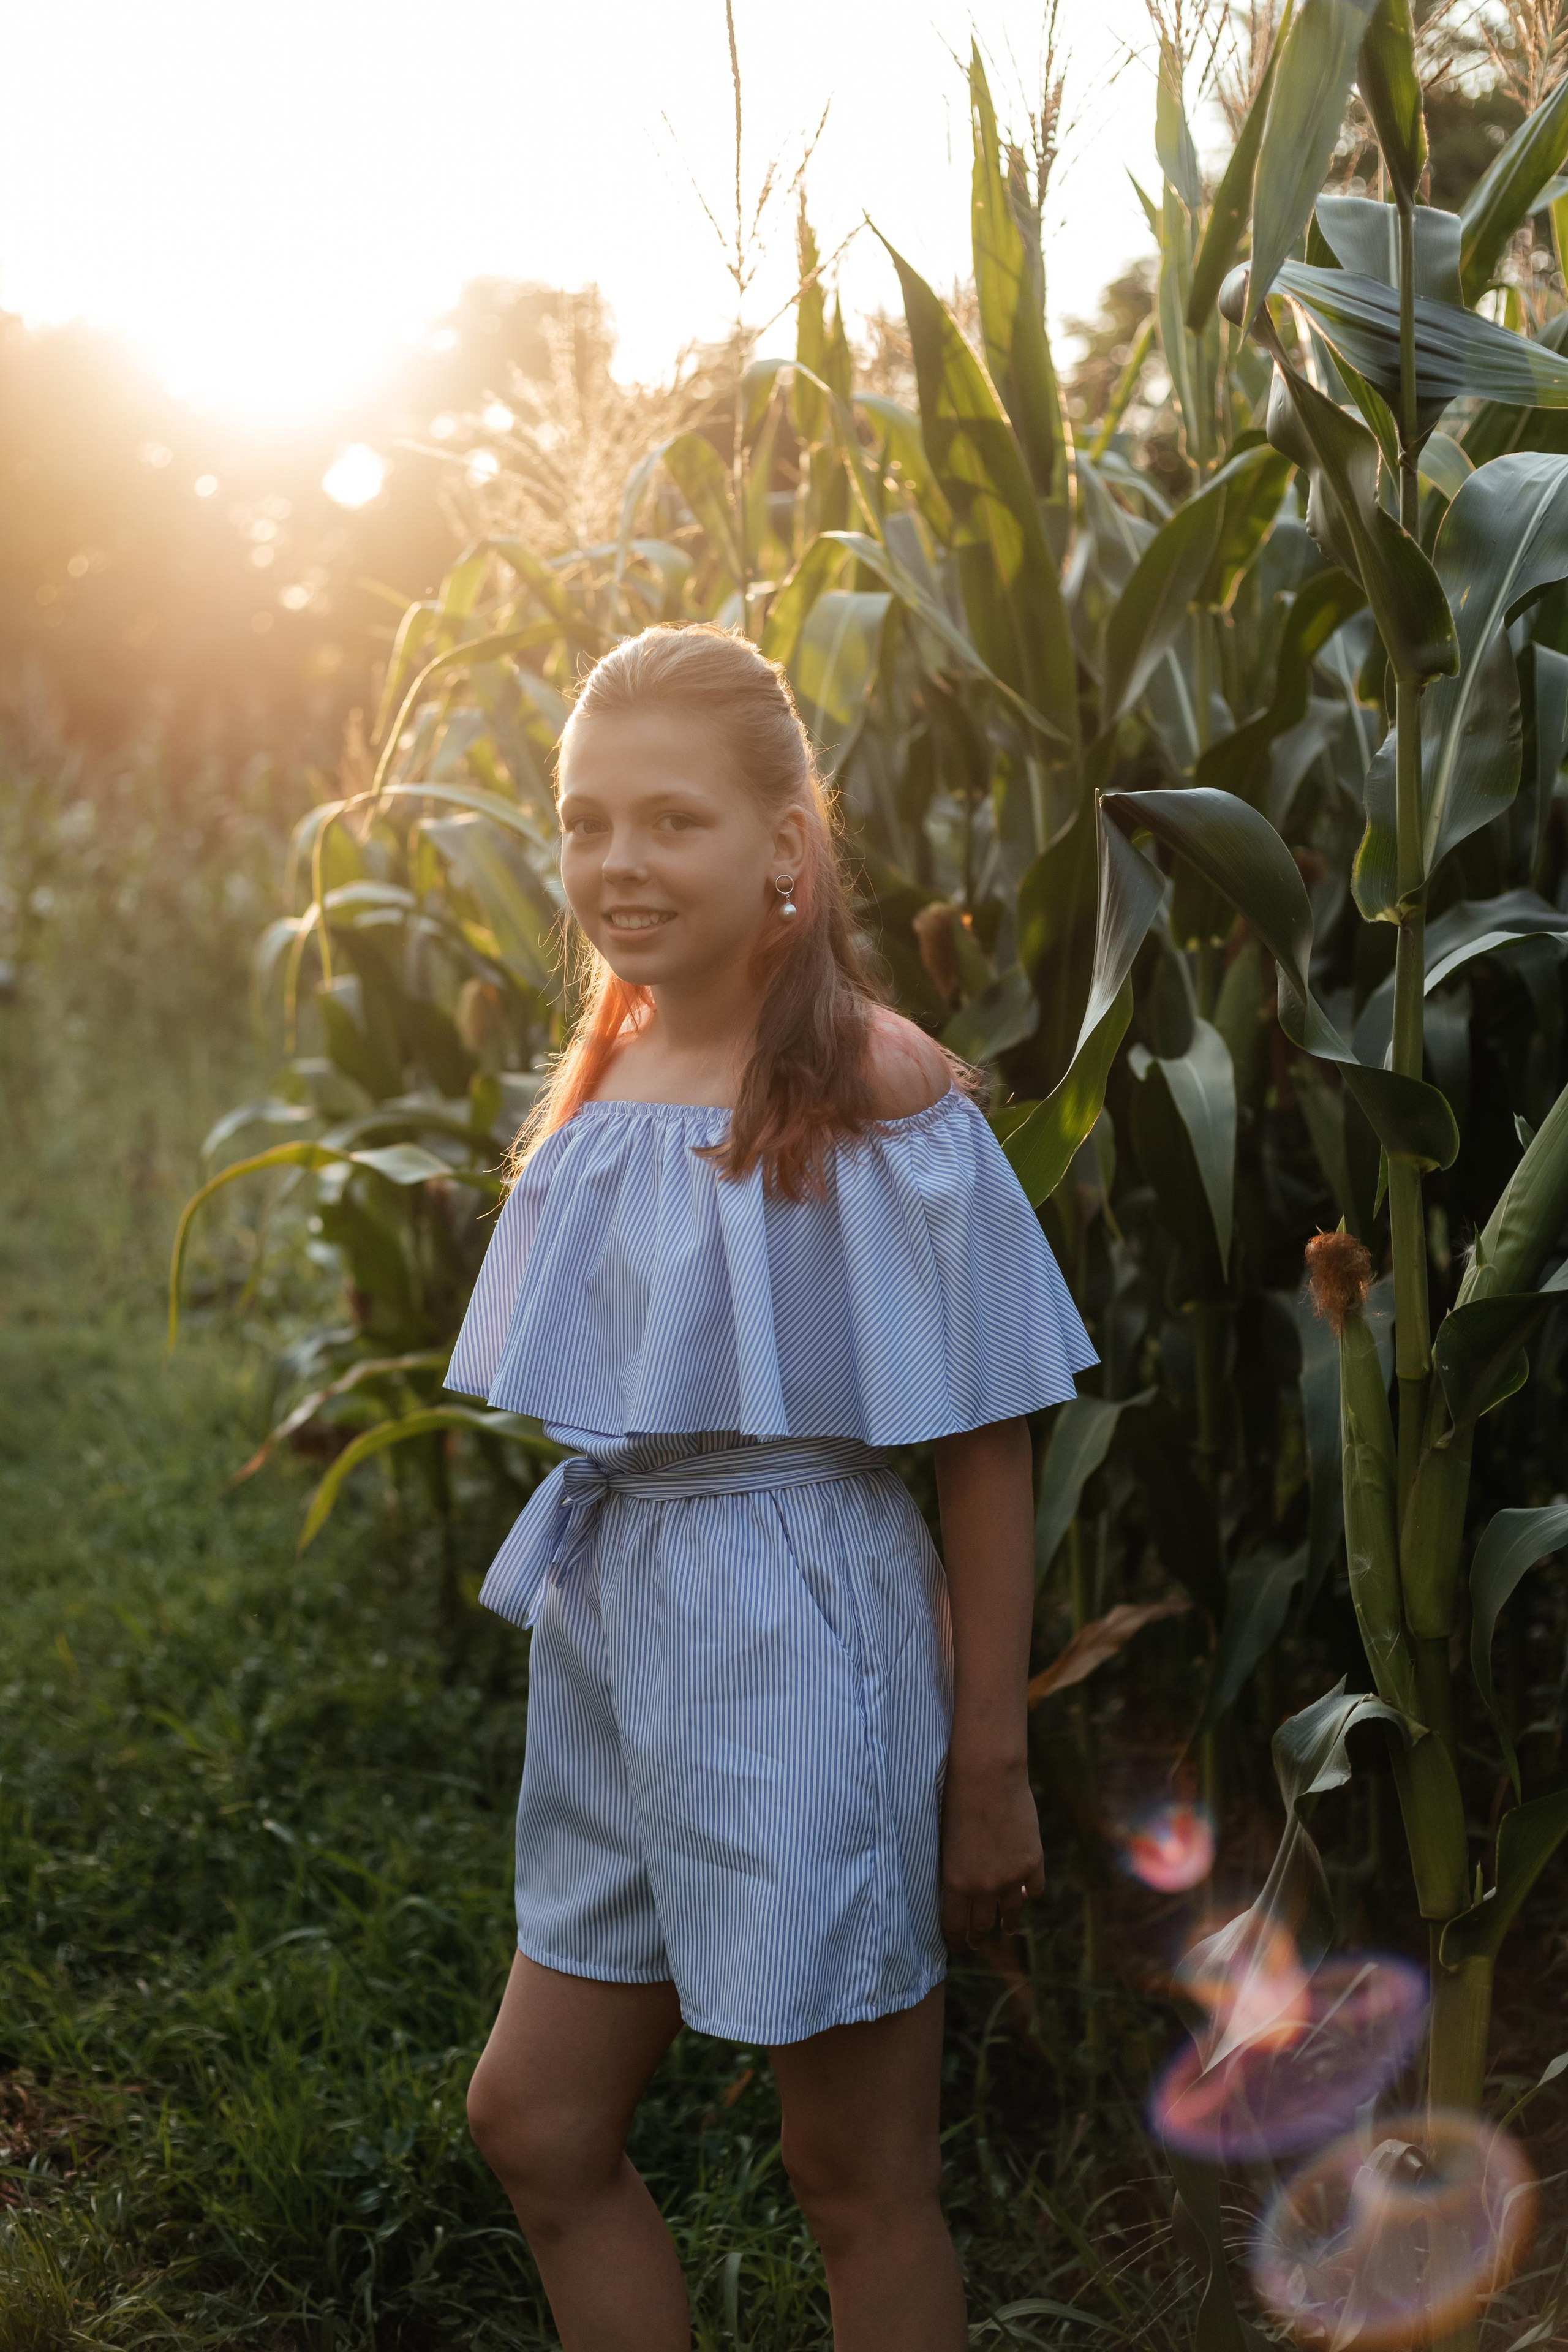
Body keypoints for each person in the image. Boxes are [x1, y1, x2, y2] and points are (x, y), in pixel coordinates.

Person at [446, 623, 1096, 2351]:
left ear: (785, 848)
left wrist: (991, 1763)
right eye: (587, 822)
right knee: (538, 2121)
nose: (617, 863)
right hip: (617, 1616)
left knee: (853, 2177)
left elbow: (985, 1440)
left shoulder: (873, 1087)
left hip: (805, 1627)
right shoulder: (613, 1065)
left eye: (672, 820)